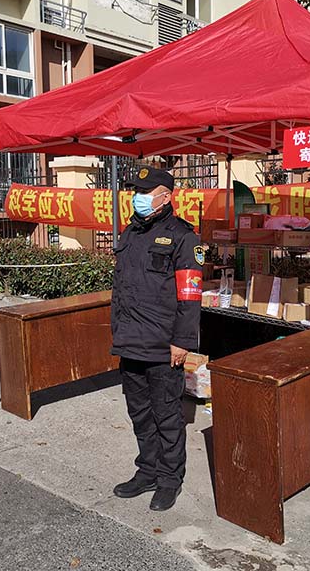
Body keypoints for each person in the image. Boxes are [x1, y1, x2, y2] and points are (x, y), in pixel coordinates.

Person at [110, 165, 203, 512]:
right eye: (136, 191)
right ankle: (147, 470)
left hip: (163, 345)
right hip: (130, 340)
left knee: (167, 416)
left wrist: (182, 341)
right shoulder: (130, 233)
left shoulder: (183, 237)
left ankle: (169, 479)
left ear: (165, 197)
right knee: (139, 414)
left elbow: (190, 296)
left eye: (145, 192)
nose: (138, 197)